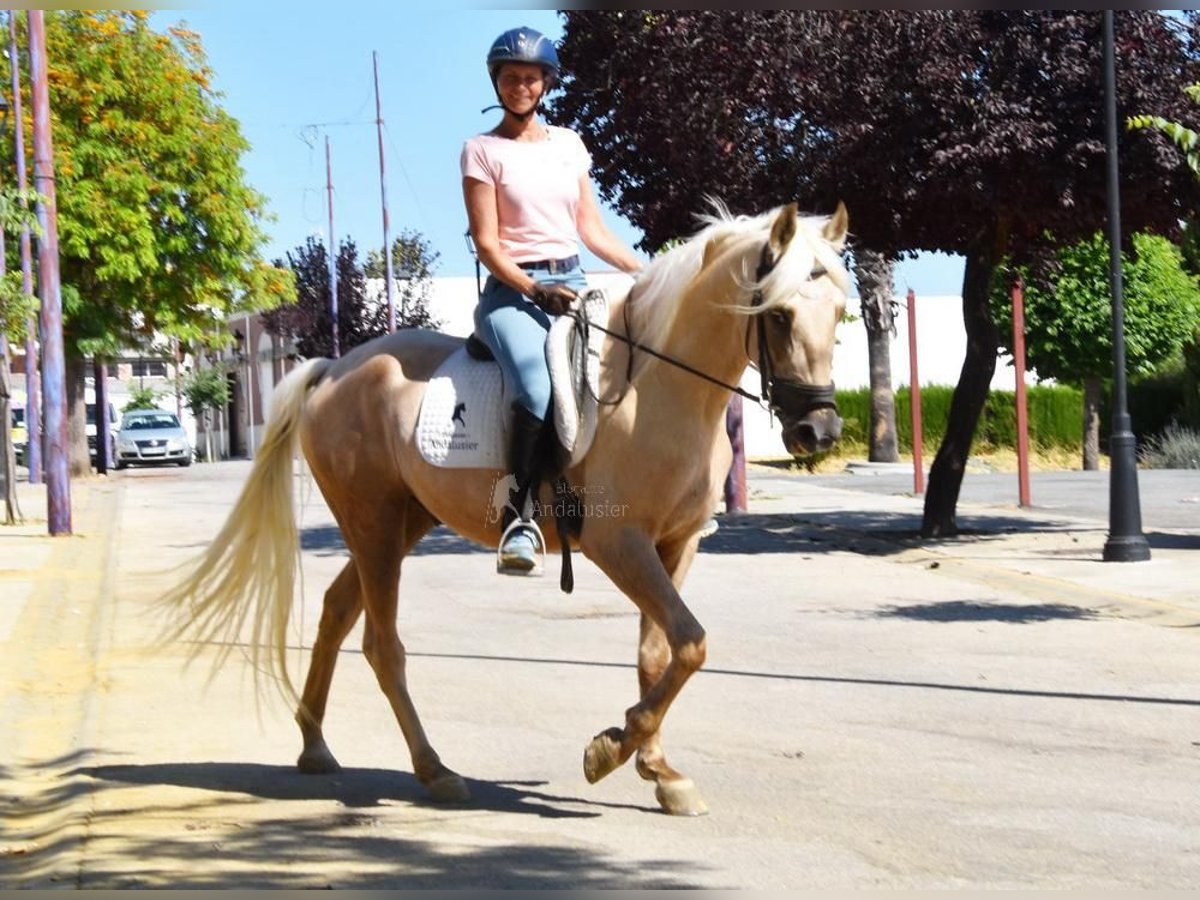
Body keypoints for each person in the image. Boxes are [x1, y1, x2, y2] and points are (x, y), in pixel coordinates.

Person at [462, 26, 643, 575]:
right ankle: (518, 520)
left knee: (636, 368)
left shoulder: (569, 145)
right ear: (498, 83)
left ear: (545, 85)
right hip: (512, 294)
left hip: (575, 284)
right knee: (538, 392)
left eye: (531, 78)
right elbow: (489, 246)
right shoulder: (481, 151)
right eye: (512, 77)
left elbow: (592, 230)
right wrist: (535, 288)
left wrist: (647, 271)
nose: (521, 86)